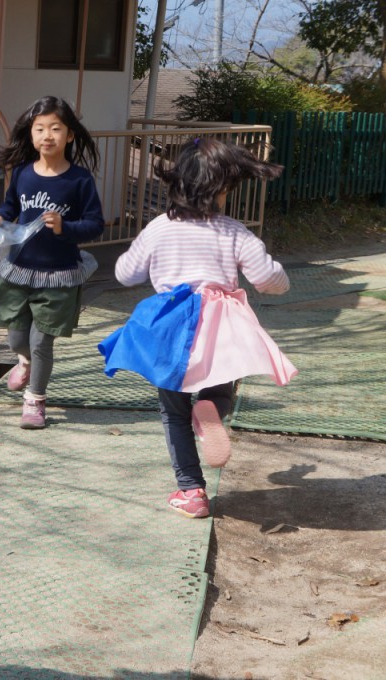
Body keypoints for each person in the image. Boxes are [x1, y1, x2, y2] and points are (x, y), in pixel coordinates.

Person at [98, 138, 297, 519]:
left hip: (172, 327)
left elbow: (126, 273)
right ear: (222, 188)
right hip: (222, 326)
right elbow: (266, 278)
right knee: (219, 390)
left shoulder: (159, 228)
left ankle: (191, 490)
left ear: (177, 181)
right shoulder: (234, 231)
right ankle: (211, 409)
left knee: (174, 411)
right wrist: (281, 279)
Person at [0, 95, 104, 428]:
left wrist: (65, 228)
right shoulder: (22, 173)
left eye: (56, 128)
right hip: (20, 270)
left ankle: (34, 401)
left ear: (70, 135)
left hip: (59, 275)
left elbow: (95, 225)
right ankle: (24, 362)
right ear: (31, 134)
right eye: (40, 128)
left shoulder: (80, 180)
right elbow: (11, 207)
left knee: (41, 341)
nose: (47, 135)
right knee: (17, 340)